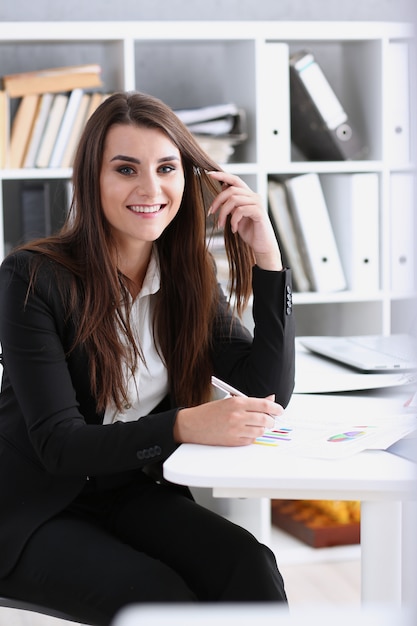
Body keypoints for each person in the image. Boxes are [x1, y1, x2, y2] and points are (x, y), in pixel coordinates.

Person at [0, 91, 295, 625]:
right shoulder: (31, 278)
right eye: (126, 169)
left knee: (249, 566)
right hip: (31, 507)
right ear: (91, 180)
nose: (150, 189)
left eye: (166, 168)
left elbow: (264, 393)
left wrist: (268, 259)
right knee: (160, 601)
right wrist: (182, 424)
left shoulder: (186, 278)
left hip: (127, 490)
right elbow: (58, 447)